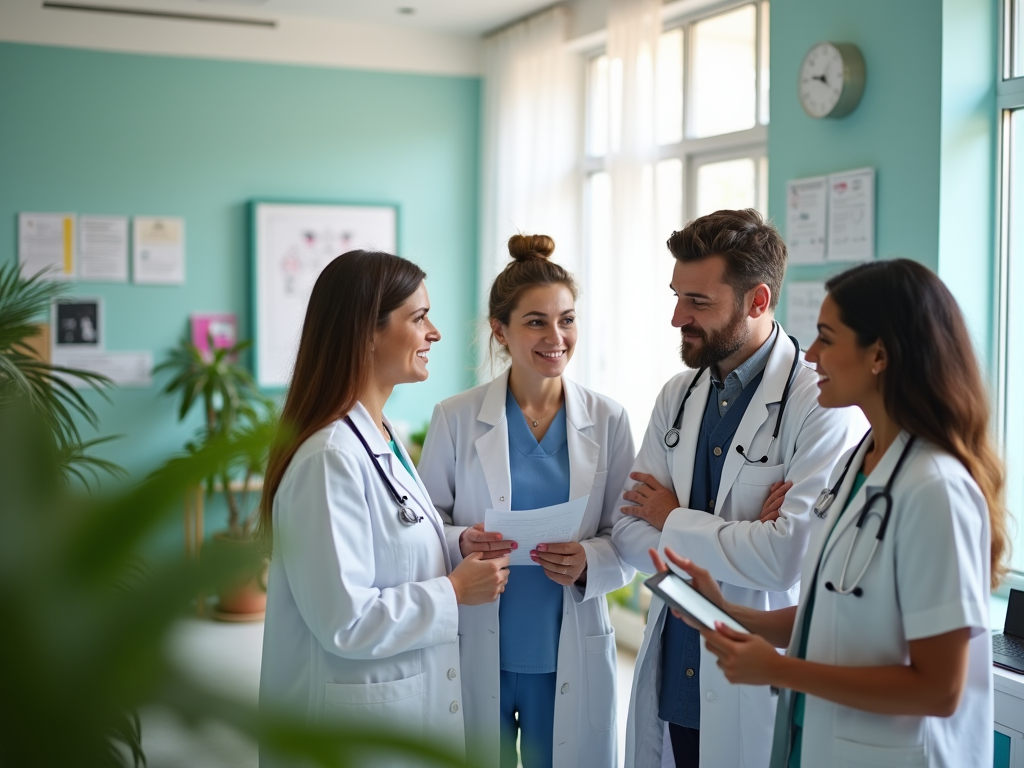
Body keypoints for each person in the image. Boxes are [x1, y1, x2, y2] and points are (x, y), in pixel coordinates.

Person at [659, 258, 1007, 768]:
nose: (813, 354)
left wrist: (781, 671)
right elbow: (834, 614)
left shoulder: (937, 489)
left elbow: (939, 689)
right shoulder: (859, 463)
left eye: (827, 337)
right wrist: (731, 614)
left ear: (879, 356)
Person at [612, 209, 866, 768]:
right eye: (678, 296)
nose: (678, 316)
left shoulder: (819, 404)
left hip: (755, 681)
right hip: (675, 676)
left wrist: (672, 517)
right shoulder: (677, 394)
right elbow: (628, 533)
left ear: (757, 301)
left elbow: (785, 558)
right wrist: (741, 534)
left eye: (698, 302)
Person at [256, 250, 510, 768]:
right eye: (418, 318)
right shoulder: (329, 457)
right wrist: (454, 591)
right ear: (367, 332)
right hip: (352, 725)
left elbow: (389, 541)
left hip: (397, 708)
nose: (434, 332)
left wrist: (452, 543)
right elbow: (344, 619)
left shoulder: (379, 434)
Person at [417, 234, 636, 768]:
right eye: (536, 321)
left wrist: (592, 560)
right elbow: (423, 529)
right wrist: (462, 540)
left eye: (566, 319)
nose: (556, 337)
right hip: (477, 644)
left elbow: (629, 533)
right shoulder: (456, 416)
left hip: (567, 644)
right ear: (501, 330)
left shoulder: (608, 420)